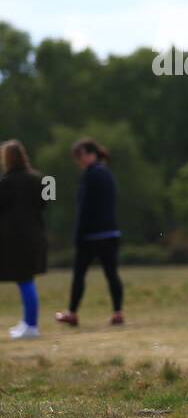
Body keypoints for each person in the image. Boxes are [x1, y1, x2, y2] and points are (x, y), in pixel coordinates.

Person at [55, 137, 125, 327]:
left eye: (79, 156)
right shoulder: (107, 174)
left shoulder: (89, 176)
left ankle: (72, 312)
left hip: (91, 236)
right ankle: (118, 312)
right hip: (111, 233)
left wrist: (78, 234)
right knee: (112, 274)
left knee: (79, 274)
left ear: (88, 154)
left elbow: (84, 208)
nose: (78, 161)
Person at [0, 140, 48, 339]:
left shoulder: (6, 182)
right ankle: (28, 322)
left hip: (13, 238)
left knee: (25, 280)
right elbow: (47, 202)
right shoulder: (40, 178)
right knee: (26, 279)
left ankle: (31, 325)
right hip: (35, 234)